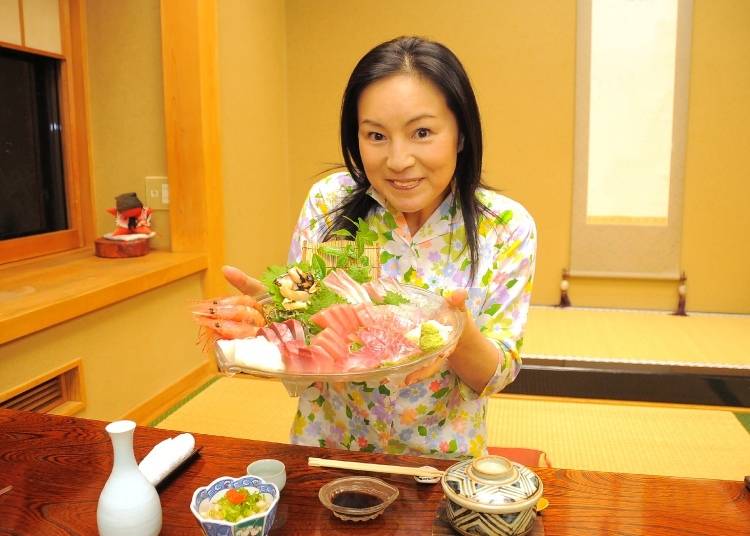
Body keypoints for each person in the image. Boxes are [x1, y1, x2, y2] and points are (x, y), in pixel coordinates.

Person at [223, 36, 536, 459]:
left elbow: (494, 376)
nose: (398, 160)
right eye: (376, 135)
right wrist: (277, 324)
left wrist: (454, 335)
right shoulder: (327, 204)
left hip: (439, 464)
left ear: (460, 133)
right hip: (328, 449)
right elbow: (304, 359)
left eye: (422, 132)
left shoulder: (505, 228)